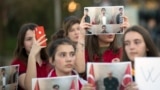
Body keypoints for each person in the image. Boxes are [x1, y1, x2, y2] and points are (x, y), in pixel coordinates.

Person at [11, 23, 53, 90]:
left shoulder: (49, 62)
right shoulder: (17, 64)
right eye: (29, 39)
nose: (34, 42)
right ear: (22, 44)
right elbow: (30, 87)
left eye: (36, 38)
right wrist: (32, 55)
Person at [121, 25, 159, 90]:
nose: (131, 47)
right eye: (127, 44)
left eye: (137, 42)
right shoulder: (120, 75)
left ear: (147, 46)